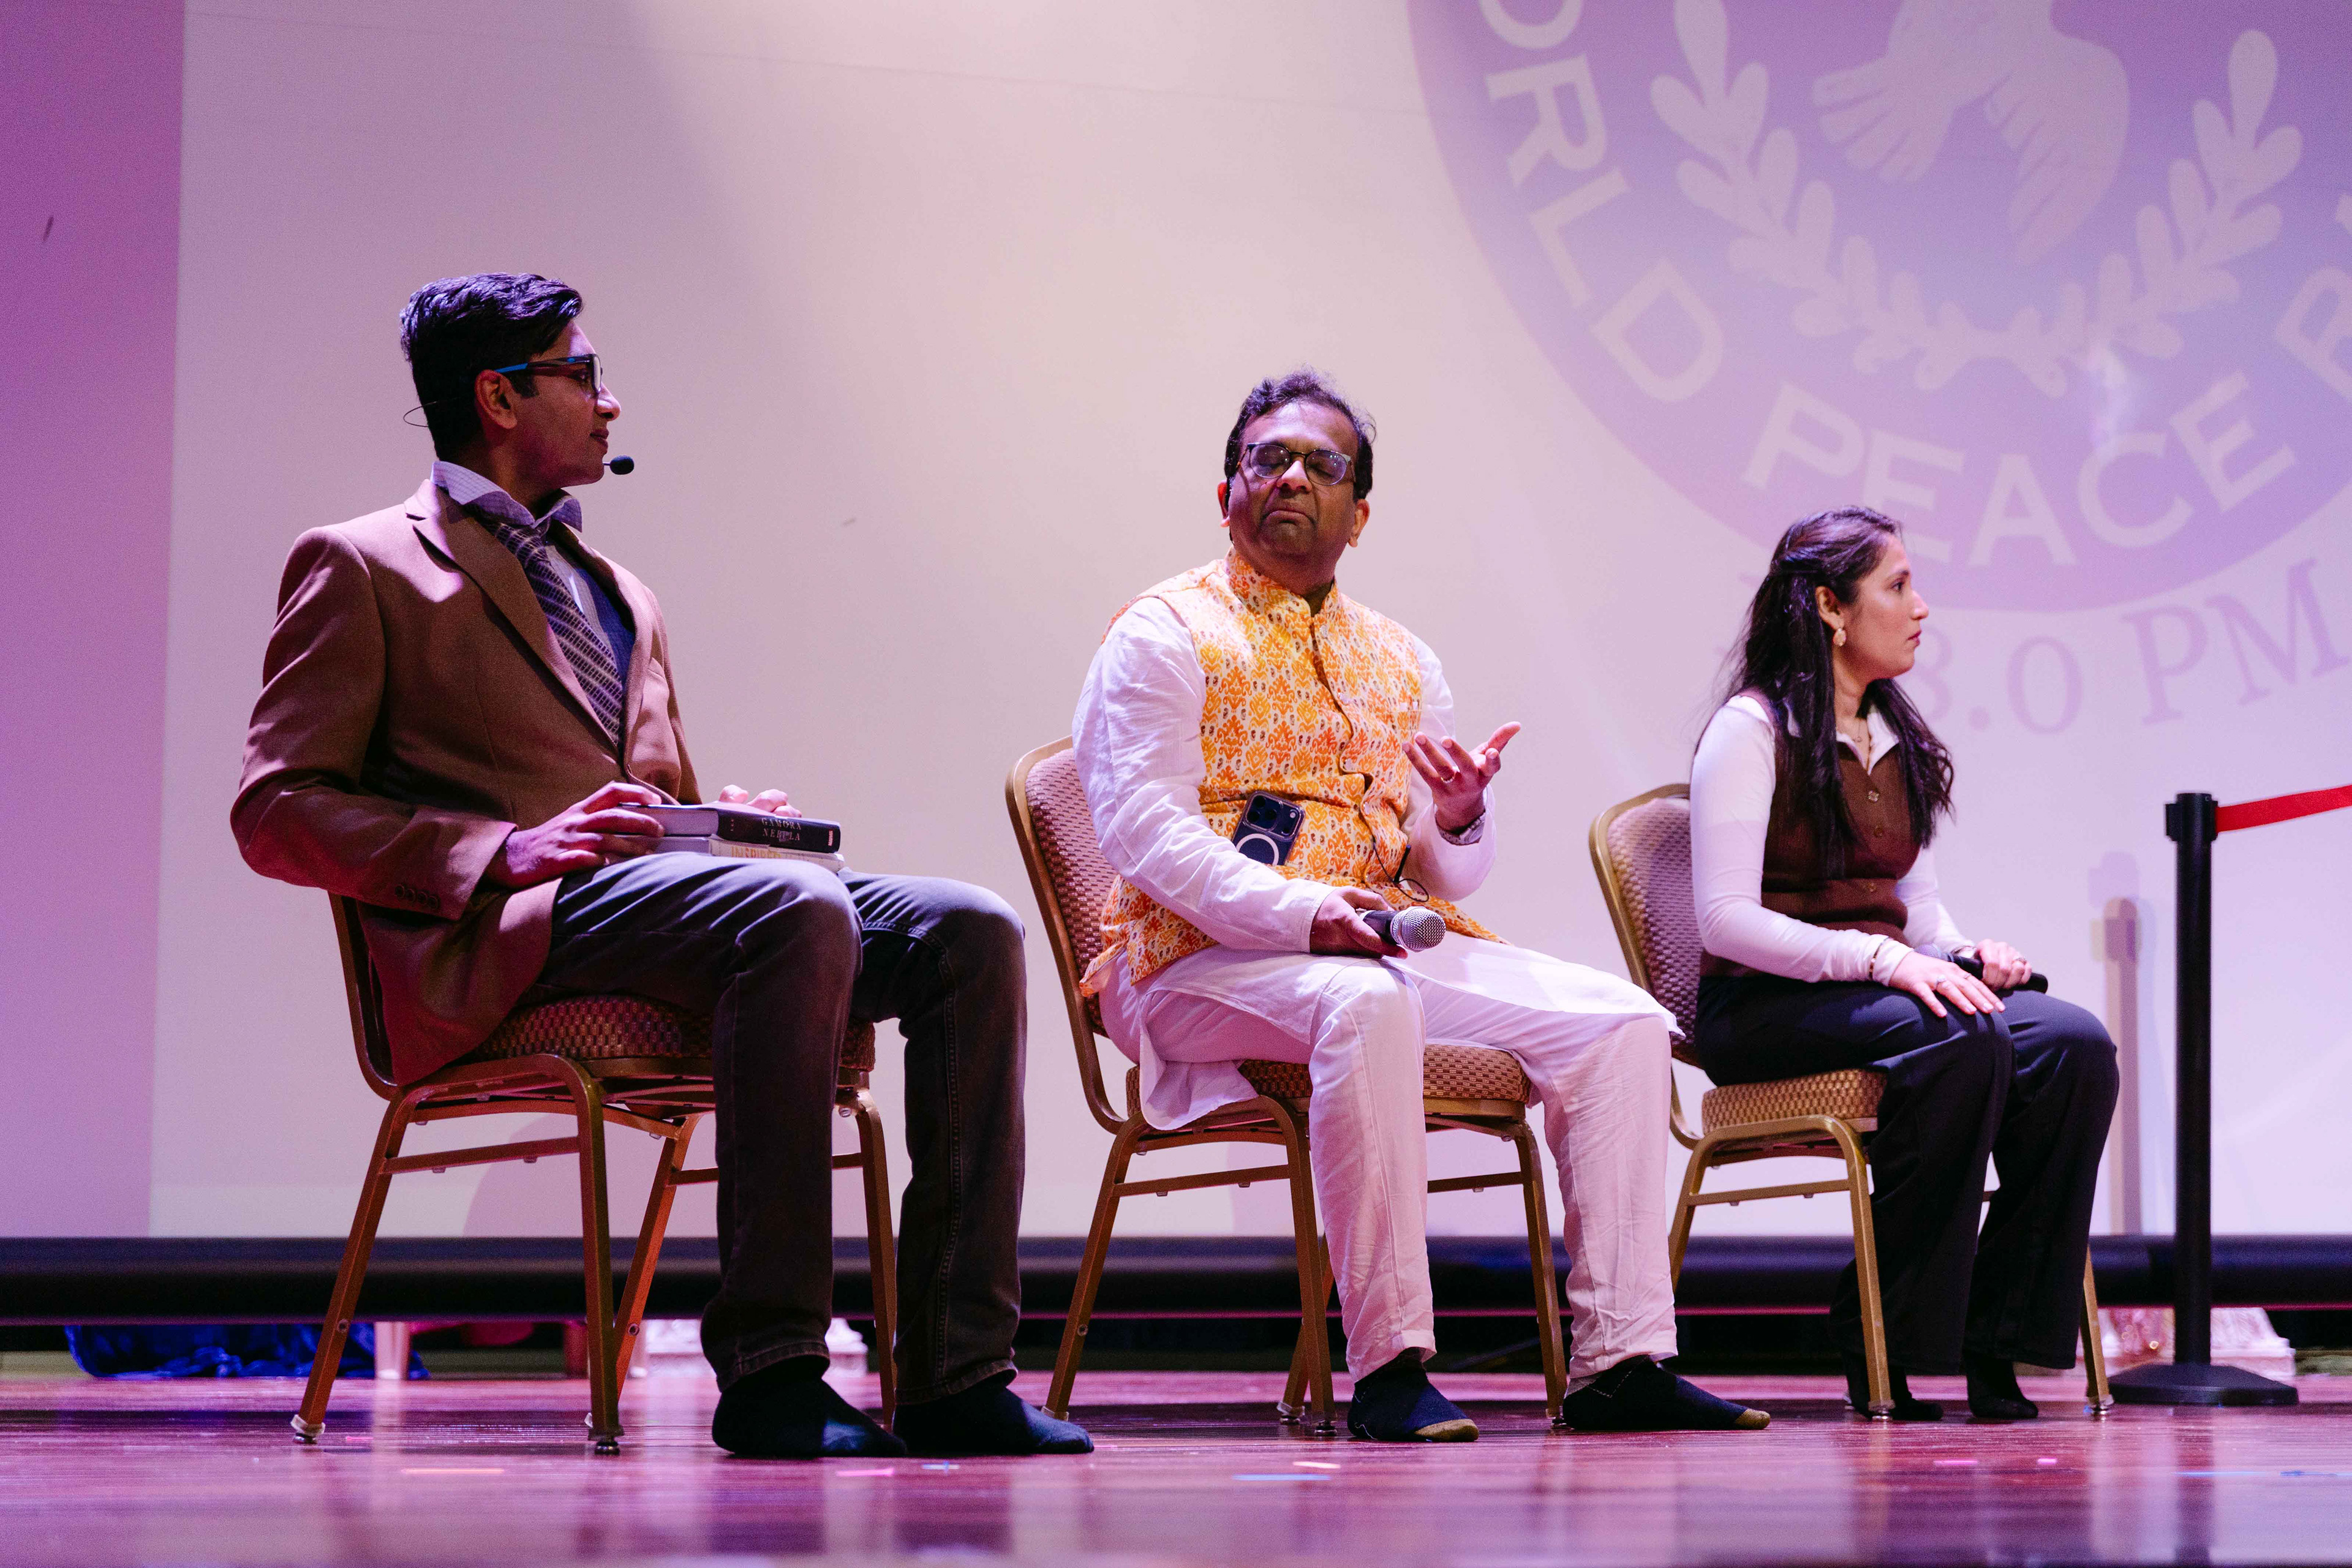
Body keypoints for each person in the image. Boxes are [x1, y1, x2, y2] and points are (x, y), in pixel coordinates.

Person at [233, 273, 1088, 1460]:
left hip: (653, 905)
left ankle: (956, 1370)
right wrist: (498, 851)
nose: (610, 401)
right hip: (509, 929)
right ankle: (773, 1370)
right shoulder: (366, 564)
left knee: (971, 930)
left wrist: (726, 826)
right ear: (499, 397)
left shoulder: (619, 591)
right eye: (582, 374)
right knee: (791, 911)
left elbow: (654, 808)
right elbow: (274, 808)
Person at [1072, 369, 1767, 1442]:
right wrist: (1304, 914)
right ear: (1225, 495)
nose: (1292, 478)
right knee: (1365, 1006)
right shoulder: (1163, 633)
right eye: (1268, 459)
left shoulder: (1399, 658)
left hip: (1376, 946)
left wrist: (1457, 817)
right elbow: (1145, 835)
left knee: (1625, 1025)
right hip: (1188, 961)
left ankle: (1623, 1362)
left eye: (1323, 465)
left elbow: (1442, 878)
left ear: (1359, 515)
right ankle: (1391, 1366)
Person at [1688, 507, 2119, 1422]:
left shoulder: (1892, 733)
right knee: (1959, 1040)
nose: (1921, 607)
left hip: (1874, 993)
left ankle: (1998, 1339)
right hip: (1763, 1009)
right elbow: (1724, 923)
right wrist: (1881, 960)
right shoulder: (1751, 729)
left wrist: (1964, 955)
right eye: (1898, 585)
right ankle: (1882, 1330)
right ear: (1829, 607)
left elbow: (1914, 907)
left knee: (2071, 1046)